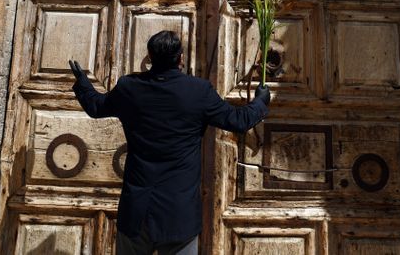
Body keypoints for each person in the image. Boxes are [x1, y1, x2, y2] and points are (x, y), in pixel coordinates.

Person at [70, 30, 270, 255]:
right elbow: (239, 121)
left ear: (150, 57)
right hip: (179, 216)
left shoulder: (129, 87)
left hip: (137, 212)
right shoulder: (198, 91)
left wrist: (83, 84)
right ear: (180, 58)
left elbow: (96, 107)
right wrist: (260, 102)